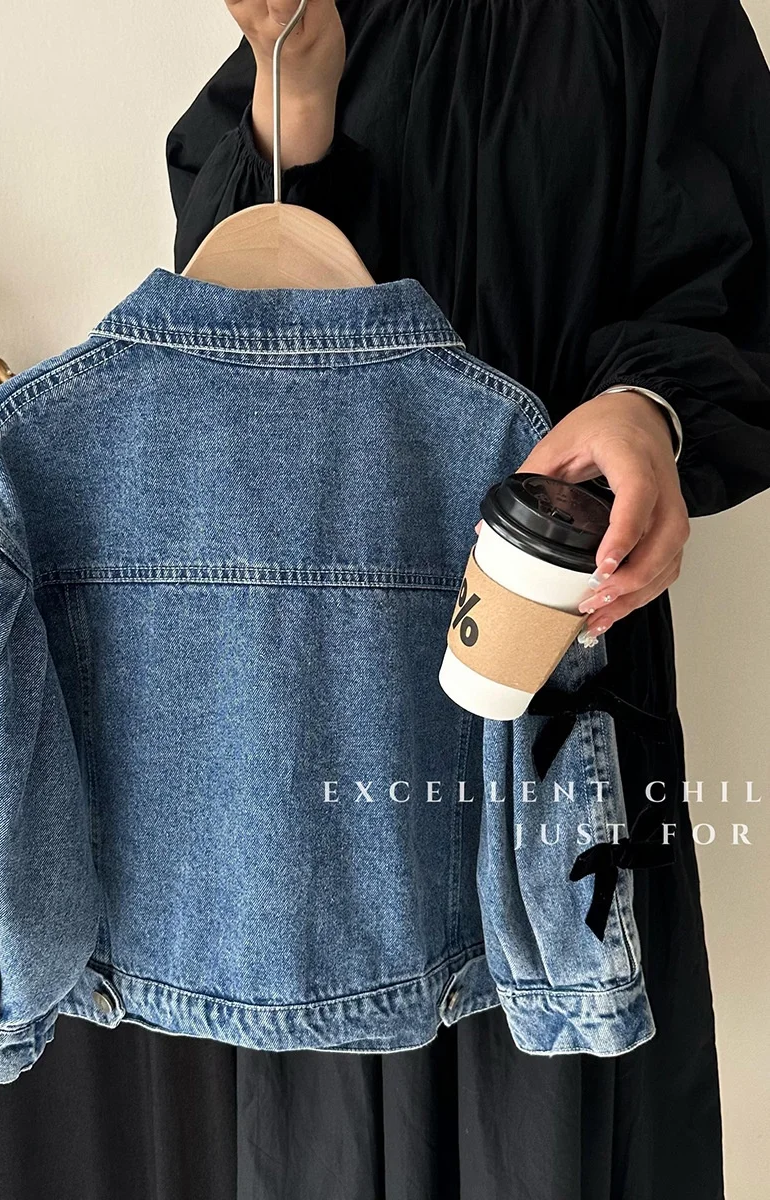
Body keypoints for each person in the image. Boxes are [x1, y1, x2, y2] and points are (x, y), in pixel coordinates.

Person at [163, 2, 770, 1196]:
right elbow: (216, 346)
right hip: (327, 674)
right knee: (334, 1104)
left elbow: (738, 274)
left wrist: (651, 411)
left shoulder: (656, 18)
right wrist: (296, 103)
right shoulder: (317, 17)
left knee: (557, 1104)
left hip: (565, 641)